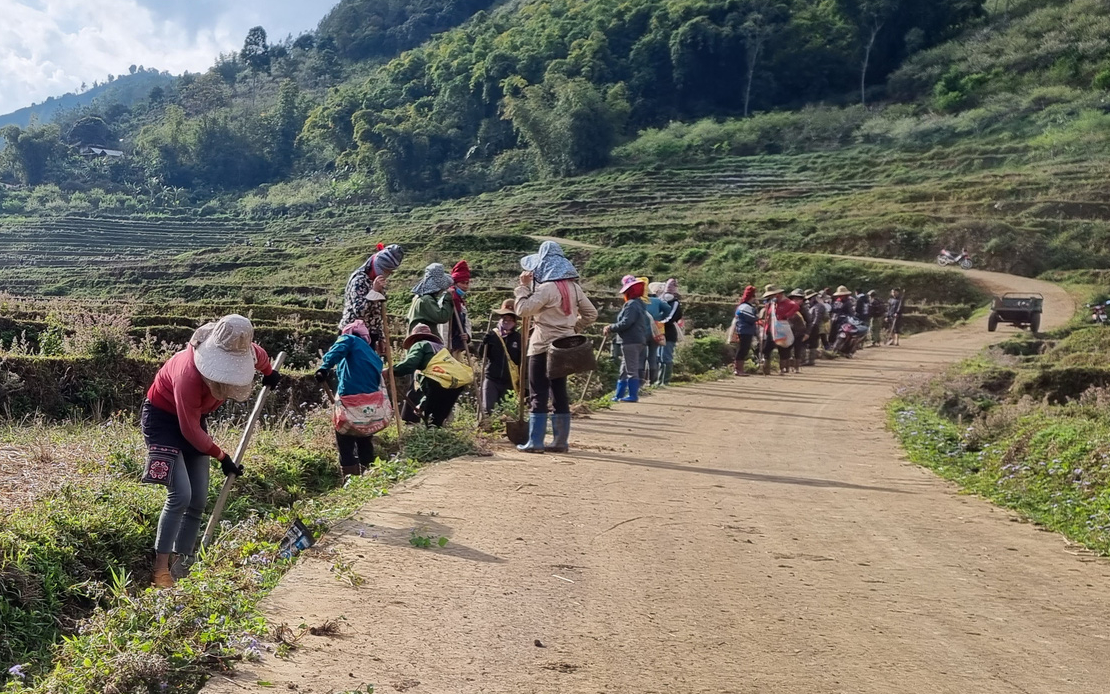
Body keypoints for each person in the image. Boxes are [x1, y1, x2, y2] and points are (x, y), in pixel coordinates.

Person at [142, 315, 280, 588]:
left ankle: (185, 560)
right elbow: (189, 429)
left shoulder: (245, 348)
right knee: (181, 494)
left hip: (193, 420)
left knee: (199, 498)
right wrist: (222, 457)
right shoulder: (188, 375)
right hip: (163, 421)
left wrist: (269, 373)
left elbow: (261, 357)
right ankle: (160, 569)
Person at [513, 241, 598, 453]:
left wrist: (523, 287)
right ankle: (560, 442)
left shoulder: (547, 289)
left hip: (542, 347)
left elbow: (522, 310)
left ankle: (536, 442)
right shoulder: (574, 288)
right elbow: (591, 314)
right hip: (564, 348)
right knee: (559, 392)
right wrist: (572, 328)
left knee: (538, 393)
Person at [315, 320, 384, 477]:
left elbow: (337, 350)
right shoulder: (371, 353)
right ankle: (368, 477)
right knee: (364, 437)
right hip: (370, 403)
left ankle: (349, 479)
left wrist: (324, 368)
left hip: (351, 400)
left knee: (344, 437)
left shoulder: (350, 339)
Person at [394, 324, 463, 427]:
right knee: (436, 422)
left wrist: (391, 370)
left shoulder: (420, 344)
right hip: (455, 384)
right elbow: (429, 391)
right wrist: (422, 405)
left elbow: (410, 364)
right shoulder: (442, 349)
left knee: (430, 419)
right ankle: (436, 438)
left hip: (437, 382)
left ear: (415, 339)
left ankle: (428, 438)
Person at [340, 243, 404, 351]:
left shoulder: (377, 283)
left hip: (370, 335)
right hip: (354, 335)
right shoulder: (359, 280)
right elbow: (359, 312)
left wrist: (380, 337)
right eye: (385, 271)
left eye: (389, 272)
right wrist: (374, 291)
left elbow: (377, 313)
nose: (386, 275)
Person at [604, 275, 650, 403]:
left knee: (631, 369)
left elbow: (626, 322)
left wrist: (611, 327)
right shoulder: (639, 304)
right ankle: (618, 395)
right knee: (624, 369)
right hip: (636, 340)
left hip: (631, 340)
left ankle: (633, 395)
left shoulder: (631, 305)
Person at [480, 300, 522, 415]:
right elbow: (482, 355)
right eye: (505, 319)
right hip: (492, 378)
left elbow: (522, 361)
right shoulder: (492, 335)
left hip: (509, 381)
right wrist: (484, 343)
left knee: (508, 412)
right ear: (500, 319)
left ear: (515, 322)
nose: (507, 322)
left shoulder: (518, 338)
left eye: (510, 319)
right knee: (488, 410)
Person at [758, 285, 799, 376]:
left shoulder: (788, 303)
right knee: (767, 349)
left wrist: (787, 315)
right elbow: (767, 316)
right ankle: (766, 369)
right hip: (770, 329)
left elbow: (796, 307)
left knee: (782, 349)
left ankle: (783, 369)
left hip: (781, 329)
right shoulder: (770, 304)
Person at [407, 263, 455, 332]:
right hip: (423, 339)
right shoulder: (426, 300)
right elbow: (442, 317)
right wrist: (448, 297)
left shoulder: (418, 298)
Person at [656, 278, 683, 386]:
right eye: (668, 284)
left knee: (666, 357)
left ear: (676, 288)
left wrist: (659, 323)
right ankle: (658, 381)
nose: (669, 286)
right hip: (658, 332)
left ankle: (665, 381)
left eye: (673, 285)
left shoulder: (675, 302)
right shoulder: (659, 299)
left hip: (668, 332)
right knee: (658, 357)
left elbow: (672, 317)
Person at [443, 260, 472, 357]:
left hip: (458, 347)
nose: (465, 286)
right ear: (455, 283)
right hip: (448, 348)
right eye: (463, 283)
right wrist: (445, 347)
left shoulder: (461, 302)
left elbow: (466, 322)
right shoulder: (449, 300)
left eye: (467, 283)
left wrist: (467, 335)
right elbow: (444, 326)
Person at [643, 278, 668, 385]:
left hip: (642, 332)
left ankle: (642, 380)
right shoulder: (657, 301)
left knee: (641, 356)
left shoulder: (639, 301)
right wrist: (660, 318)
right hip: (655, 332)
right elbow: (668, 310)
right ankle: (652, 380)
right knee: (652, 356)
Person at [733, 285, 758, 376]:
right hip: (744, 330)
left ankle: (739, 369)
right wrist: (757, 317)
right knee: (742, 349)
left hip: (745, 330)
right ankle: (738, 369)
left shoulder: (744, 306)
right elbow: (751, 318)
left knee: (744, 349)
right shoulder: (745, 307)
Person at [787, 289, 812, 373]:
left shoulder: (803, 310)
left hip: (800, 332)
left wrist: (807, 333)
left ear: (802, 300)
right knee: (786, 350)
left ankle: (796, 368)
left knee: (798, 350)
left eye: (798, 299)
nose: (796, 301)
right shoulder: (788, 308)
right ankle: (786, 368)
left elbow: (809, 322)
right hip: (788, 331)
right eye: (794, 299)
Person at [804, 290, 825, 365]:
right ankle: (808, 360)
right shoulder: (810, 306)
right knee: (809, 343)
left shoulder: (819, 306)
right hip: (810, 326)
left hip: (814, 327)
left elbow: (817, 318)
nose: (809, 300)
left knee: (812, 343)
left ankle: (811, 360)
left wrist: (812, 326)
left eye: (810, 299)